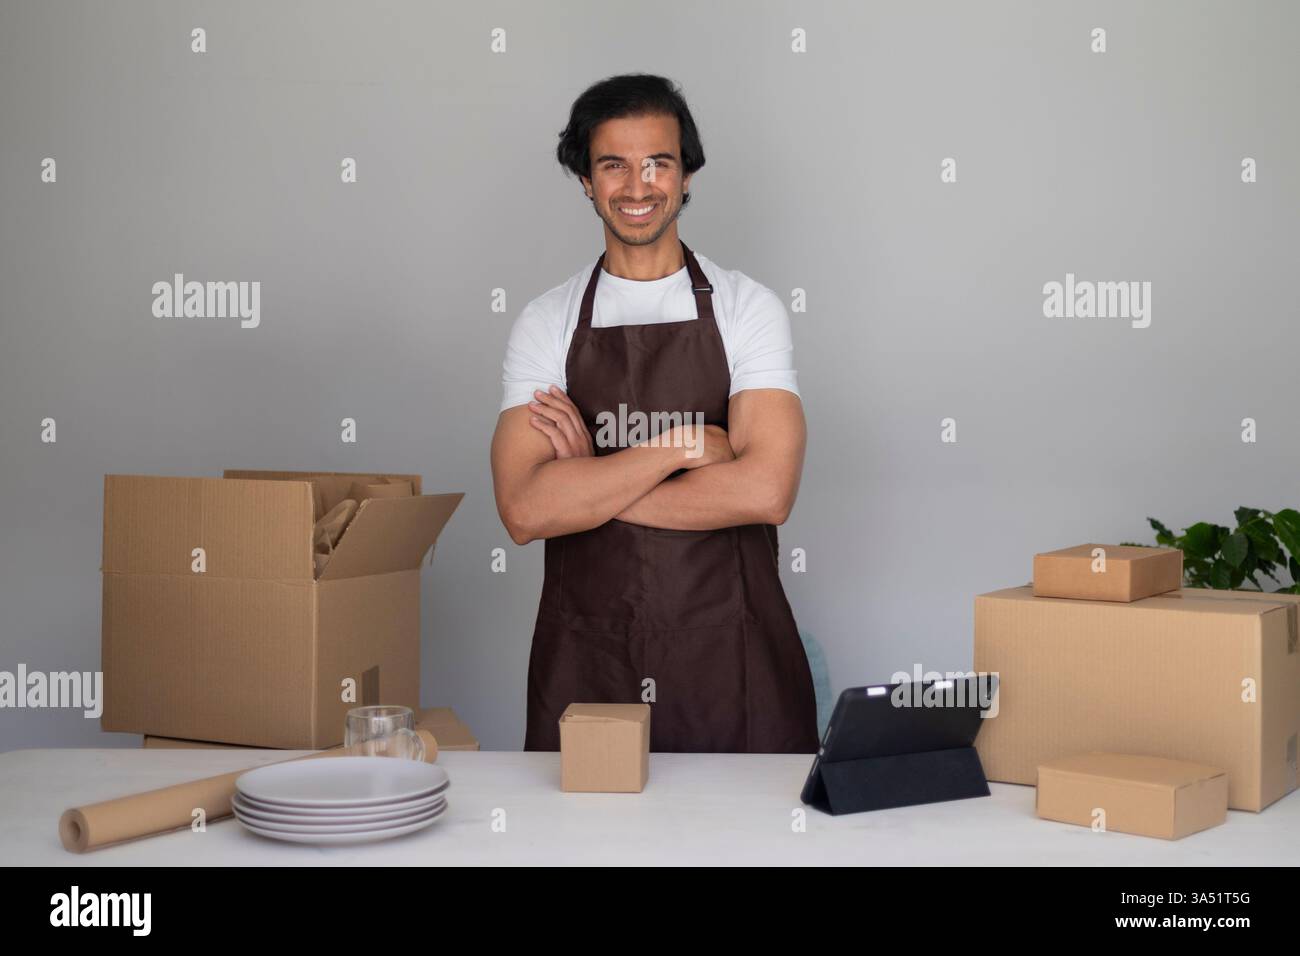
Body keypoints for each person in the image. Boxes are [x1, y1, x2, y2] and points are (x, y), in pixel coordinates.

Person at [490, 73, 818, 754]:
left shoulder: (745, 309)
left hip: (731, 651)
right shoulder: (545, 322)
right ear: (585, 179)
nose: (636, 186)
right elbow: (524, 510)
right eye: (612, 164)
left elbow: (767, 491)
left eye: (657, 163)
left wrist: (589, 481)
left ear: (687, 174)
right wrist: (683, 448)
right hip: (589, 654)